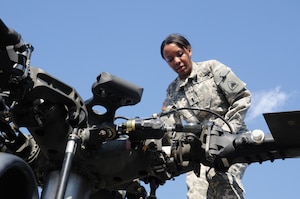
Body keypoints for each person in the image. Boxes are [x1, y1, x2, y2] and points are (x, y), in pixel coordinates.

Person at [159, 33, 251, 199]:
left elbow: (242, 97)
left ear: (189, 50)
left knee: (221, 178)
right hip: (199, 150)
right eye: (170, 59)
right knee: (196, 192)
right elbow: (168, 127)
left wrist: (225, 130)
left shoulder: (211, 68)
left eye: (179, 54)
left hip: (232, 140)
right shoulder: (172, 91)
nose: (177, 61)